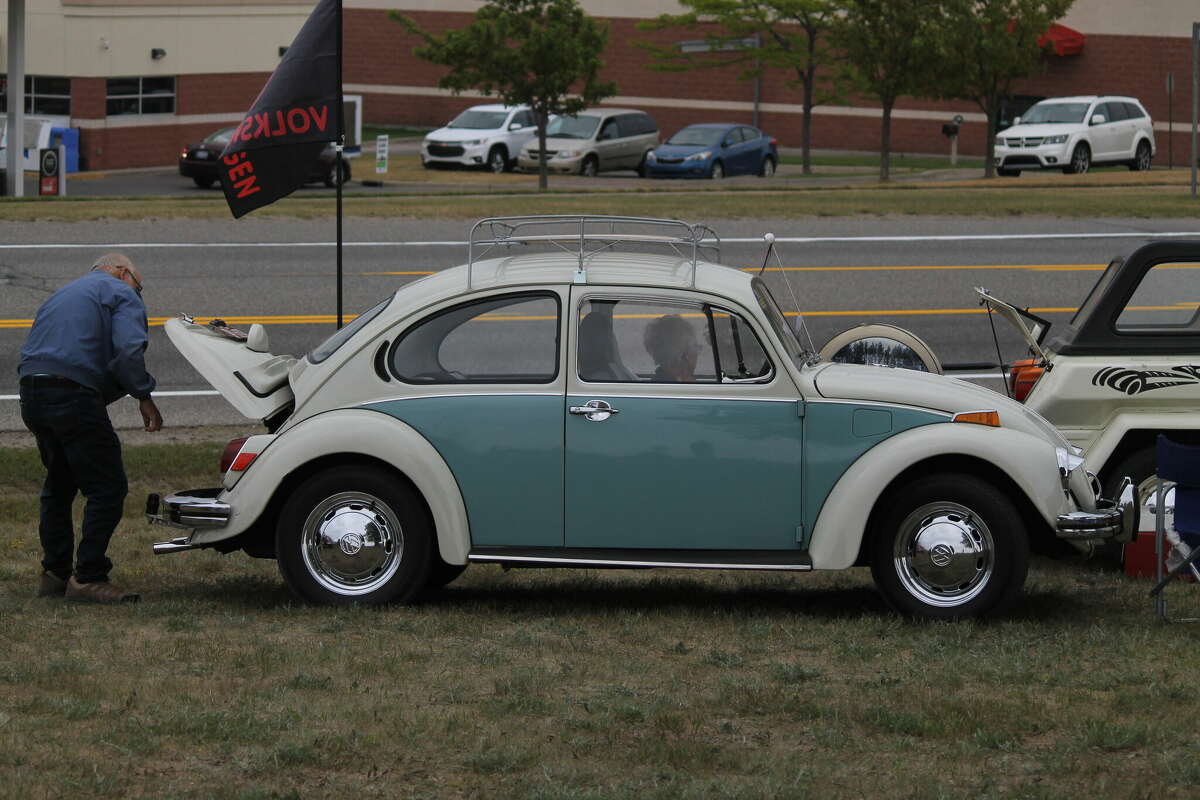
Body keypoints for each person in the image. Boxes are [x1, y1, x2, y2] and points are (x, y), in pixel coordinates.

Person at [18, 253, 163, 603]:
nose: (138, 293)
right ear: (122, 272)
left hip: (31, 393)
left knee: (60, 483)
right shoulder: (120, 292)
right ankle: (89, 577)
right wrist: (143, 395)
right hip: (71, 394)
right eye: (138, 285)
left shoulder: (64, 293)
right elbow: (127, 353)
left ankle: (54, 573)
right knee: (108, 487)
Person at [643, 314, 701, 382]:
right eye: (694, 348)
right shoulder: (685, 388)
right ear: (682, 356)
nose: (697, 353)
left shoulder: (659, 383)